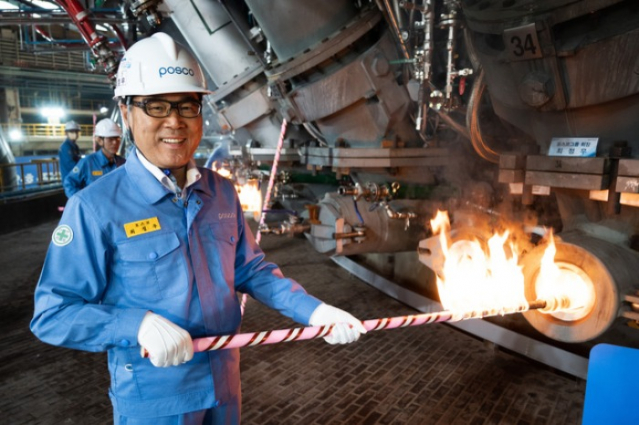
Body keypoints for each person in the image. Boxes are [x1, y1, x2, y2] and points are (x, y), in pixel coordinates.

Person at [31, 32, 366, 424]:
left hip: (223, 388)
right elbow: (53, 314)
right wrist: (134, 324)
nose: (175, 122)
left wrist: (314, 311)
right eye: (156, 106)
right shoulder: (94, 207)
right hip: (155, 402)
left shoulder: (220, 192)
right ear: (126, 114)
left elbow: (252, 271)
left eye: (187, 106)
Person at [63, 118, 125, 197]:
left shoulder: (123, 163)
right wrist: (81, 202)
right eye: (110, 139)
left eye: (117, 138)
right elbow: (69, 183)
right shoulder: (88, 163)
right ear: (99, 140)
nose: (115, 142)